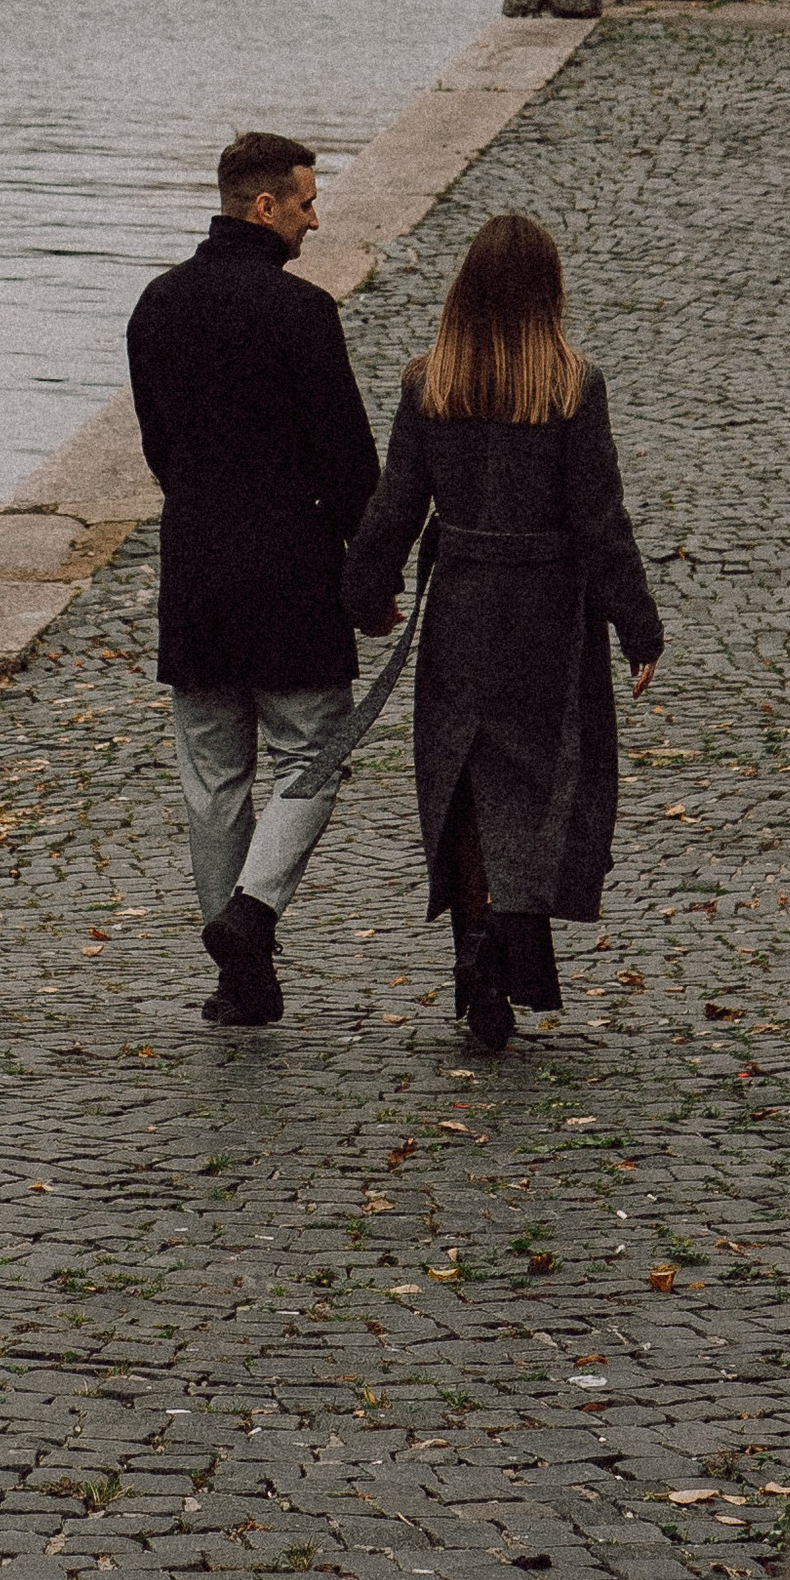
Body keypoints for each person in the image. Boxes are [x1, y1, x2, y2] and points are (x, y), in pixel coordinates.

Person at [338, 213, 665, 1054]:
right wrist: (639, 626)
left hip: (462, 609)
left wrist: (362, 599)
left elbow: (395, 510)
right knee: (538, 780)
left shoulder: (427, 384)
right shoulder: (572, 386)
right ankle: (507, 952)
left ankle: (478, 949)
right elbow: (601, 520)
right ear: (549, 292)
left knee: (465, 785)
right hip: (549, 617)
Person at [126, 130, 383, 1027]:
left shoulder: (155, 306)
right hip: (292, 573)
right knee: (316, 751)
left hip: (194, 571)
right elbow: (348, 463)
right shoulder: (302, 314)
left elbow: (160, 447)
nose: (317, 220)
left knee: (213, 778)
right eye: (307, 203)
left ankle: (241, 977)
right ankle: (253, 911)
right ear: (264, 206)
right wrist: (373, 570)